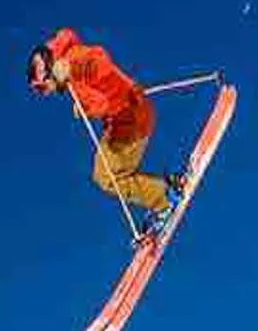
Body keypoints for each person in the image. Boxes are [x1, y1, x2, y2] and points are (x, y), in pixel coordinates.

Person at [28, 28, 185, 236]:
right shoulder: (70, 58)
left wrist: (82, 99)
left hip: (131, 122)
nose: (44, 93)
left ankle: (165, 199)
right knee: (105, 172)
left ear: (51, 70)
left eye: (41, 87)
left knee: (107, 178)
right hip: (127, 116)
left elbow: (100, 85)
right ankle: (163, 190)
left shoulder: (74, 64)